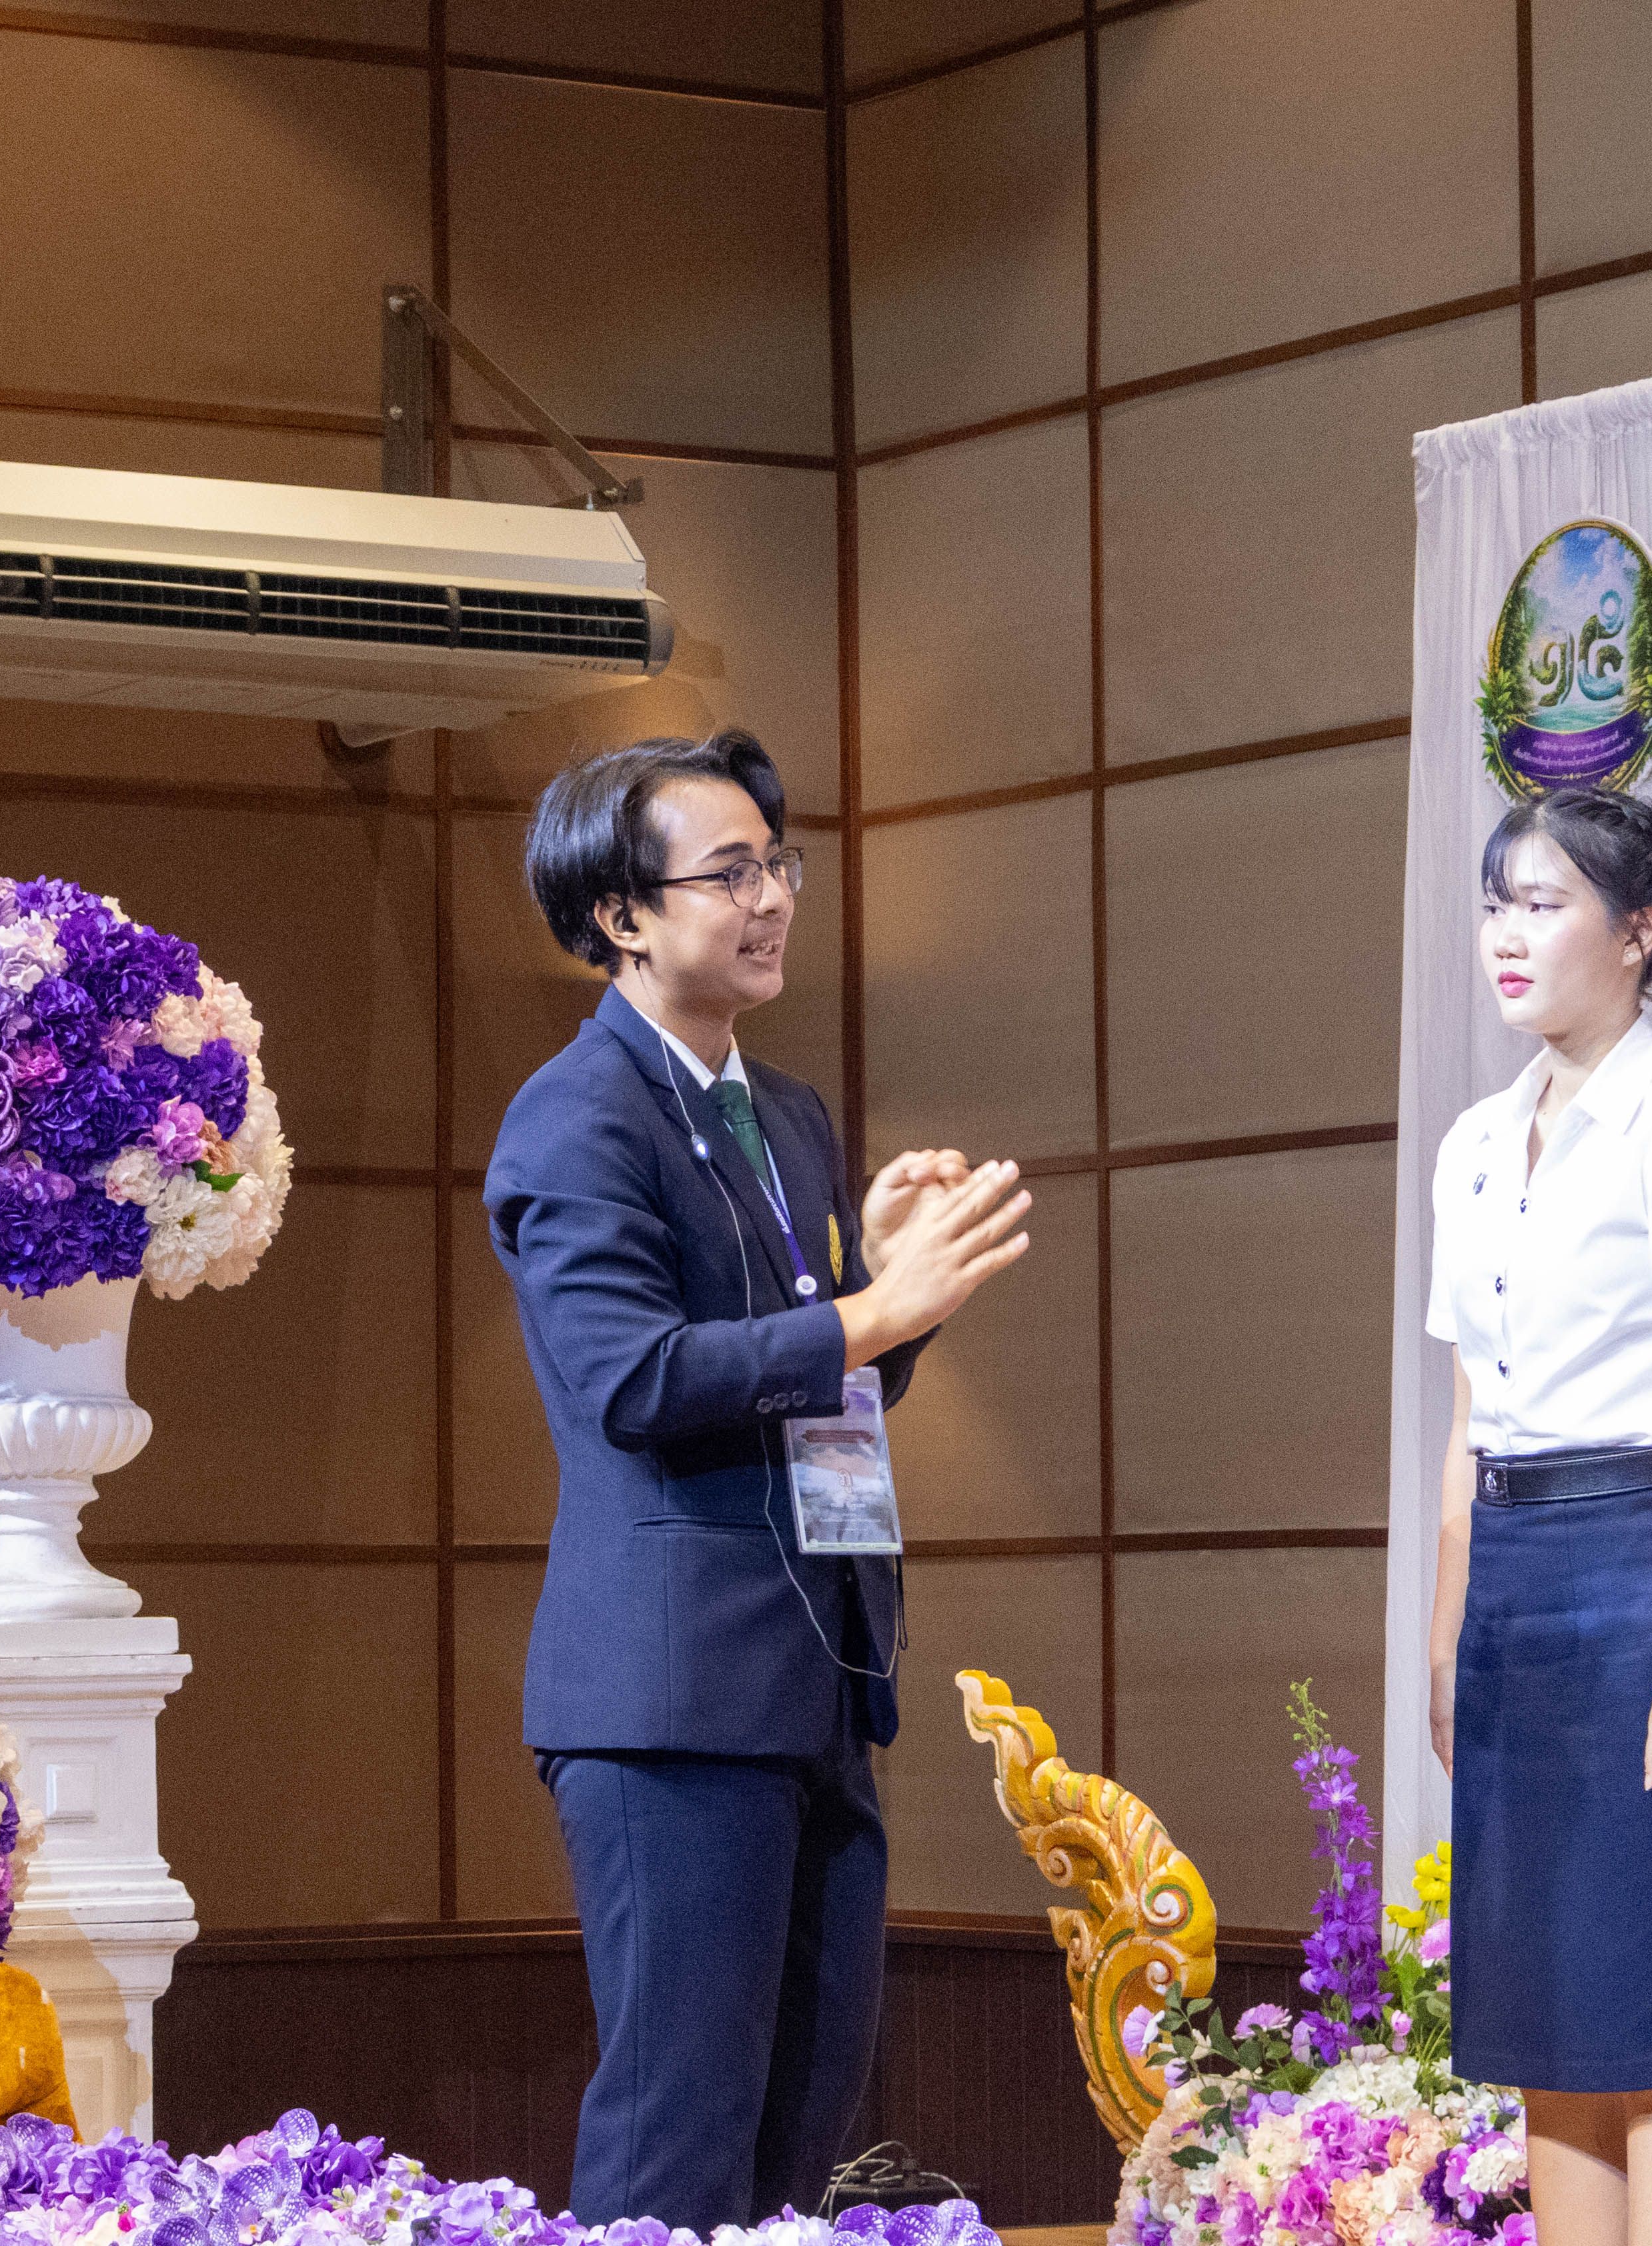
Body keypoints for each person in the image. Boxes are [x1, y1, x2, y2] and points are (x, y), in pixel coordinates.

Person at [485, 728, 1032, 2231]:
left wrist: (883, 1295)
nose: (773, 897)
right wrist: (872, 1309)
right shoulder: (577, 1115)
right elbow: (637, 1380)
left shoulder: (783, 1113)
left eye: (777, 864)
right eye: (728, 873)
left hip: (819, 1679)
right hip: (672, 1700)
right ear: (620, 915)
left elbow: (821, 1391)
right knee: (679, 2134)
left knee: (801, 2132)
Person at [1426, 787, 1652, 2246]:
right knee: (1551, 2028)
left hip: (1649, 1570)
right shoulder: (1471, 1142)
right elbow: (1468, 1413)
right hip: (1514, 1585)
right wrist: (1449, 1631)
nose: (1506, 936)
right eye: (1495, 903)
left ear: (1638, 934)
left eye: (1543, 904)